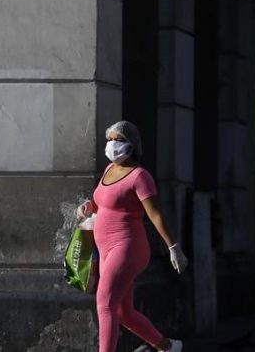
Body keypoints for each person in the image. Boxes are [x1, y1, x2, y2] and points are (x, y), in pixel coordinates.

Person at [76, 121, 188, 352]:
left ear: (131, 144)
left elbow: (155, 215)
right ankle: (167, 347)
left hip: (128, 248)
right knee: (122, 312)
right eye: (109, 139)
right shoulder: (109, 170)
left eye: (117, 139)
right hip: (106, 249)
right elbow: (102, 202)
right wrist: (88, 206)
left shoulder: (140, 177)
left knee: (105, 303)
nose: (111, 144)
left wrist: (173, 247)